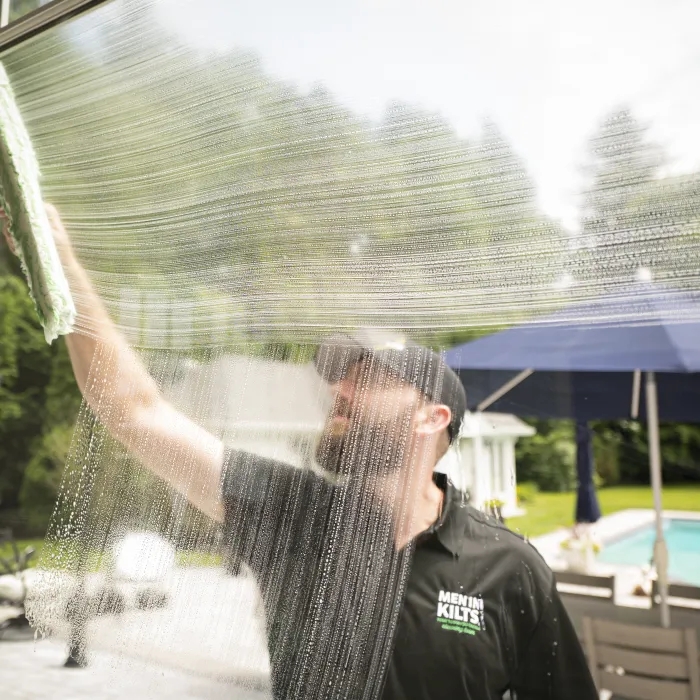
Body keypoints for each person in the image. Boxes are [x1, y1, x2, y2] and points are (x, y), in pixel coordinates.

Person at [3, 206, 598, 699]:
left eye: (367, 377)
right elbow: (136, 411)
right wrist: (62, 264)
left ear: (432, 417)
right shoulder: (292, 514)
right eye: (338, 377)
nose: (338, 391)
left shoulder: (509, 569)